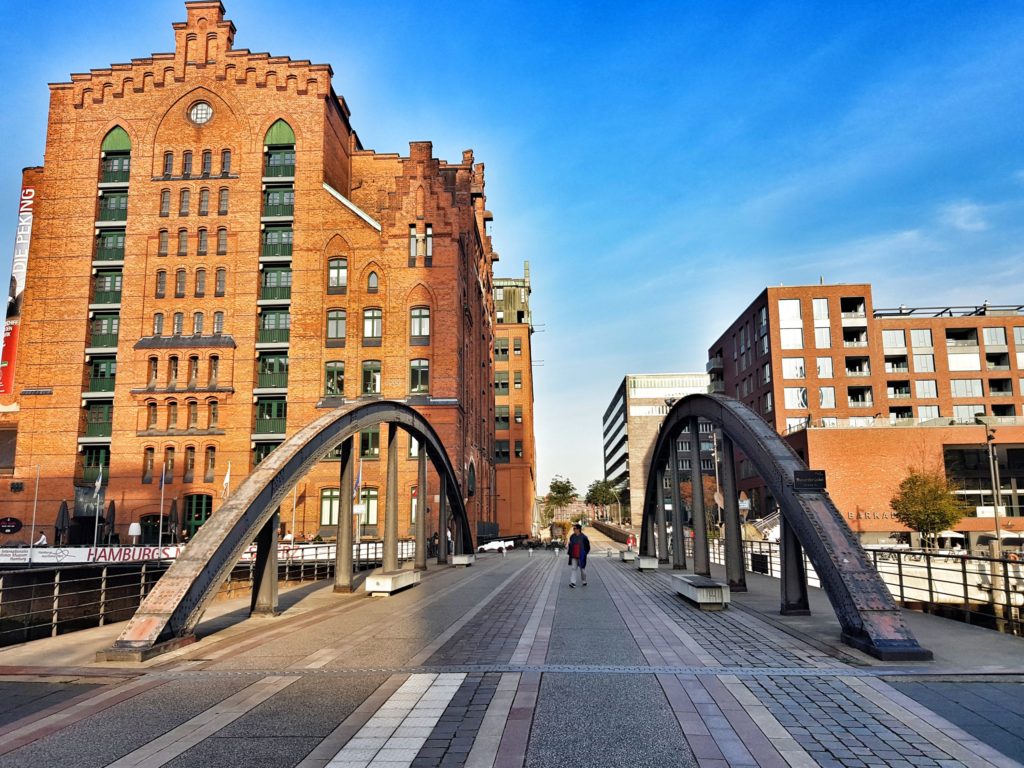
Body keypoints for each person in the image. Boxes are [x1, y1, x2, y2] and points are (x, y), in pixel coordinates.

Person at [567, 523, 591, 588]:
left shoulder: (584, 537)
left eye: (574, 528)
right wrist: (569, 545)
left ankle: (584, 581)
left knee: (582, 569)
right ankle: (573, 582)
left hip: (581, 556)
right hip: (574, 556)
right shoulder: (572, 536)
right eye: (573, 529)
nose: (573, 530)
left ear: (578, 529)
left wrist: (585, 553)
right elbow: (570, 544)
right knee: (573, 568)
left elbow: (587, 547)